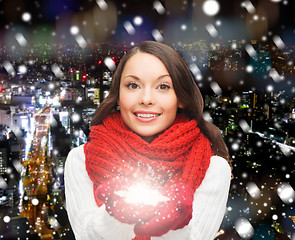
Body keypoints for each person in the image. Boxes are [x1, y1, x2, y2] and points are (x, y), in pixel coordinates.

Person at [64, 41, 232, 240]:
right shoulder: (81, 160)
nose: (146, 98)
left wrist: (176, 220)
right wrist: (116, 215)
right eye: (133, 85)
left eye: (163, 86)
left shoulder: (213, 169)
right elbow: (85, 235)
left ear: (181, 98)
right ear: (118, 95)